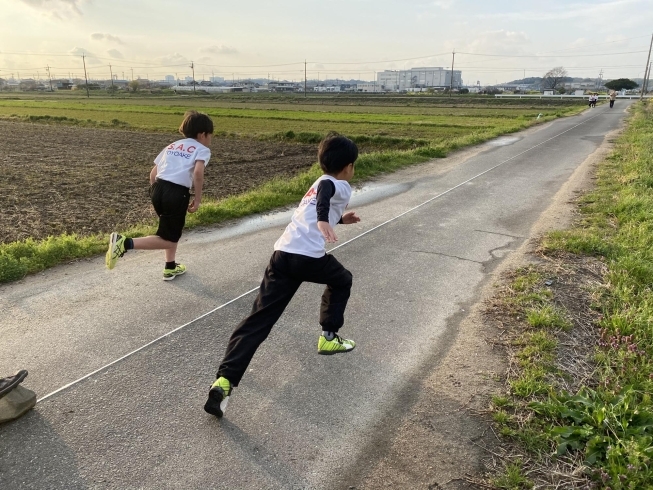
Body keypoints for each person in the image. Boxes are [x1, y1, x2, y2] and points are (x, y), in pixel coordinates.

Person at [204, 134, 360, 418]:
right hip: (308, 258)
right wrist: (327, 219)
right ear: (348, 166)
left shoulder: (316, 184)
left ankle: (224, 381)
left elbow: (315, 209)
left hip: (282, 255)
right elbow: (324, 201)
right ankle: (328, 336)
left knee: (258, 320)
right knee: (342, 279)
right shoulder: (336, 184)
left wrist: (339, 218)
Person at [105, 110, 213, 280]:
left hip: (158, 188)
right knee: (168, 238)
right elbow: (198, 173)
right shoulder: (202, 149)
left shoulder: (172, 146)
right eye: (210, 136)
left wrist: (158, 194)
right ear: (202, 134)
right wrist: (197, 199)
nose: (210, 140)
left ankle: (170, 266)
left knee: (171, 230)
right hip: (176, 193)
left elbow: (152, 174)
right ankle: (124, 243)